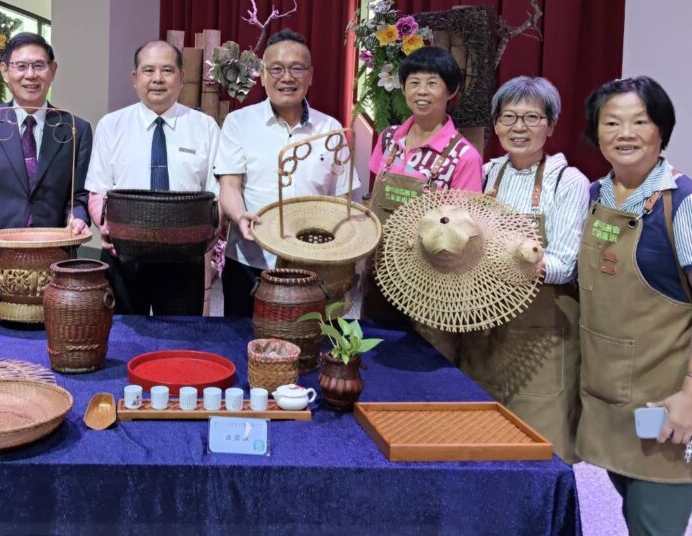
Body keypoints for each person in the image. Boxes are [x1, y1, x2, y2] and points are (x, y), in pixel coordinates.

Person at [577, 76, 692, 535]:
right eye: (612, 122)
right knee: (632, 511)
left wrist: (690, 396)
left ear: (661, 131)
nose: (625, 133)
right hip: (608, 401)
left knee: (654, 523)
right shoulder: (593, 197)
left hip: (667, 403)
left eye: (639, 121)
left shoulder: (681, 205)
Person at [457, 76, 588, 463]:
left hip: (542, 330)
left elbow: (565, 266)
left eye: (532, 118)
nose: (519, 127)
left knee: (538, 448)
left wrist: (501, 260)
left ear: (551, 125)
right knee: (478, 436)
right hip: (482, 324)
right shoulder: (484, 173)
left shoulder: (568, 182)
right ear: (495, 124)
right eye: (509, 116)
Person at [215, 29, 359, 317]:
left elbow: (343, 198)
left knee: (309, 345)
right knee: (243, 344)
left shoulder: (330, 129)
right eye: (277, 69)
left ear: (310, 75)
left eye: (297, 68)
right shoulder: (238, 122)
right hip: (250, 259)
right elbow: (229, 186)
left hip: (313, 265)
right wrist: (240, 216)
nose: (287, 77)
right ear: (264, 74)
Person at [0, 33, 92, 313]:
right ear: (5, 72)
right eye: (21, 66)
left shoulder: (75, 128)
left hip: (54, 265)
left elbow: (78, 194)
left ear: (53, 71)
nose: (30, 75)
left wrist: (77, 217)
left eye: (39, 66)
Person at [364, 46, 483, 360]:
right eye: (414, 82)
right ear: (402, 89)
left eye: (433, 83)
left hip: (430, 280)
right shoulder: (388, 139)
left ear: (451, 91)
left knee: (421, 359)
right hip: (379, 271)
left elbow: (464, 228)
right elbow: (374, 195)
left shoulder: (464, 155)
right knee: (372, 352)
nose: (422, 91)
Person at [86, 41, 221, 315]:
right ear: (135, 78)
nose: (157, 79)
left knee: (180, 339)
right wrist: (106, 227)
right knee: (121, 337)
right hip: (123, 256)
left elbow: (216, 194)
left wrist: (211, 231)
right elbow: (97, 191)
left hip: (184, 259)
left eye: (167, 70)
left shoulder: (204, 127)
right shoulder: (111, 126)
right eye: (149, 70)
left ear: (182, 77)